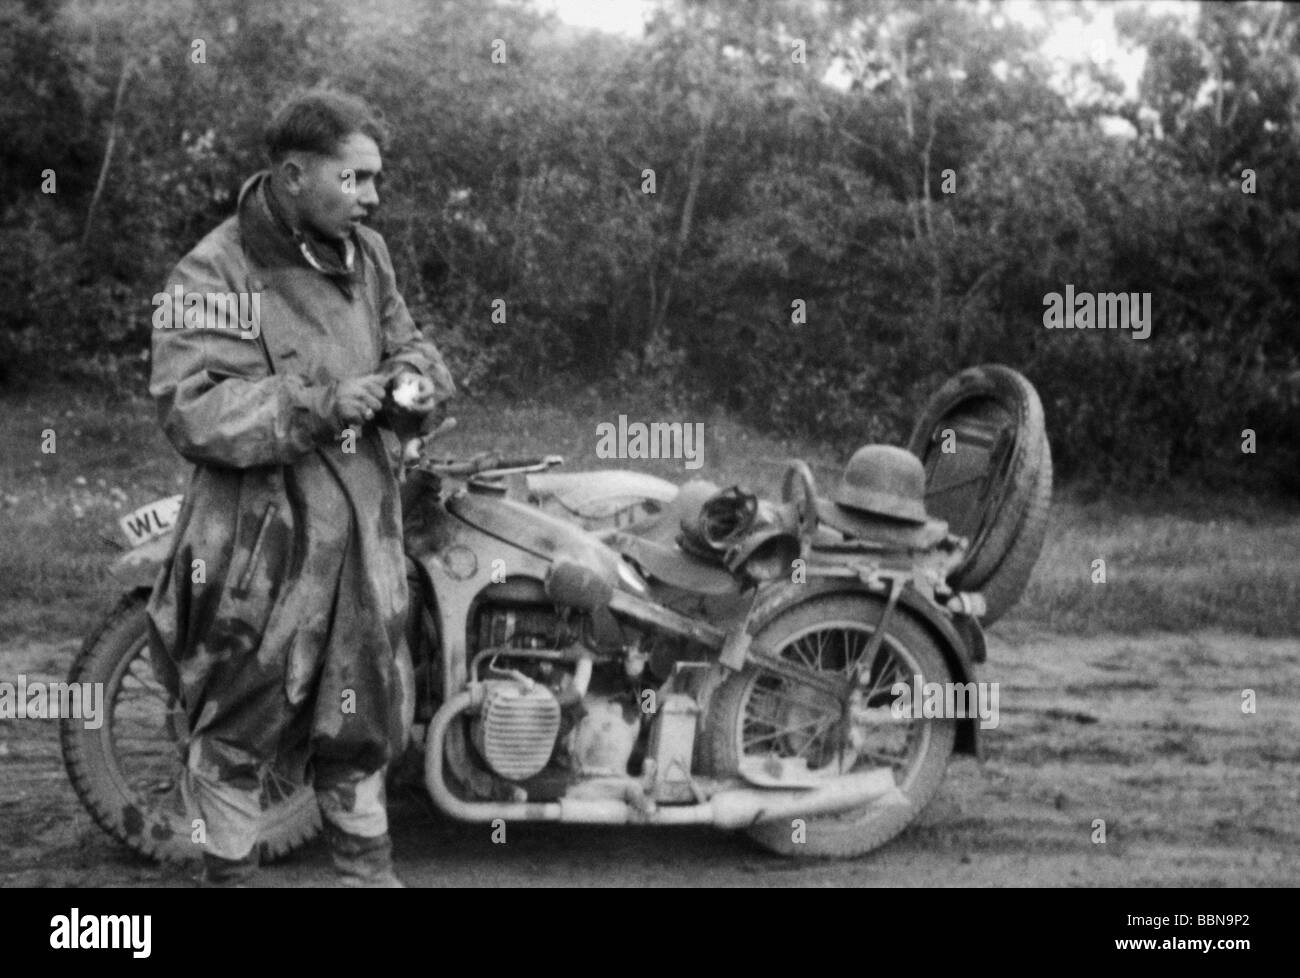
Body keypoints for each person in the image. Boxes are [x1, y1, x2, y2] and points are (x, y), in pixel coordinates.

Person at [145, 90, 454, 887]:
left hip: (362, 545)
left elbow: (408, 340)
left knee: (360, 730)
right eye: (354, 180)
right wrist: (314, 405)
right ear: (291, 175)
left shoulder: (369, 255)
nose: (372, 197)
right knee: (235, 734)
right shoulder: (215, 269)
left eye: (374, 180)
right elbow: (191, 407)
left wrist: (415, 382)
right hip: (260, 552)